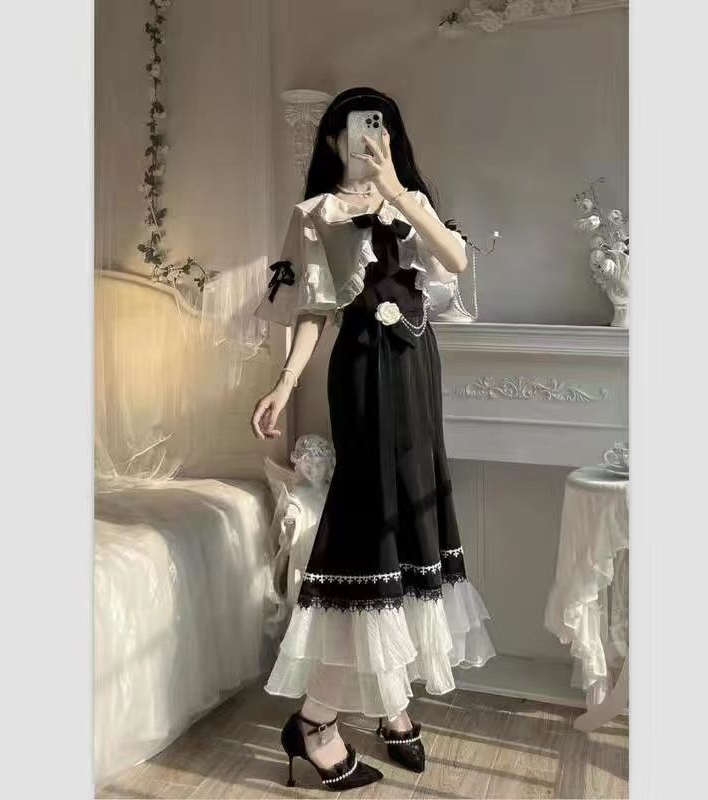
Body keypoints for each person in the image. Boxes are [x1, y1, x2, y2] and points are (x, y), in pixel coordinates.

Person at [251, 86, 495, 792]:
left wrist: (396, 191)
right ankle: (318, 720)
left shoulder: (410, 197)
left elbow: (455, 261)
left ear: (389, 137)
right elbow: (311, 310)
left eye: (374, 129)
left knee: (411, 524)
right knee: (368, 527)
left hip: (417, 367)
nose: (361, 140)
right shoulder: (314, 214)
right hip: (361, 370)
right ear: (331, 141)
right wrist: (285, 385)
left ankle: (392, 706)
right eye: (348, 131)